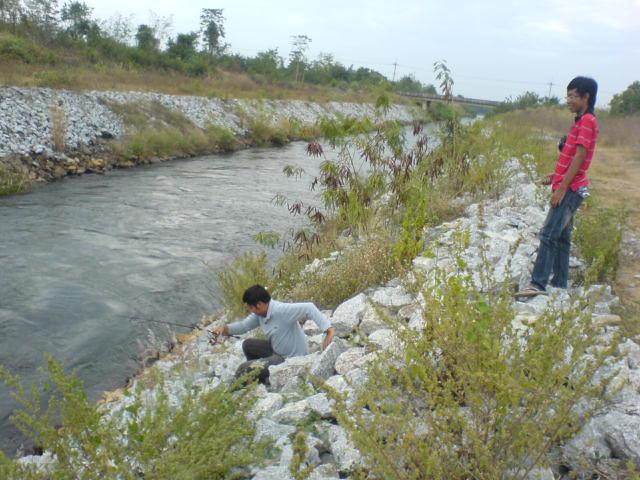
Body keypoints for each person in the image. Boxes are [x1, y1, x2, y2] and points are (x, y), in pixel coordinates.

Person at [515, 76, 599, 298]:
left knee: (548, 234)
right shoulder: (581, 122)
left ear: (586, 96)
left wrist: (562, 188)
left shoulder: (588, 121)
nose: (568, 100)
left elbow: (581, 155)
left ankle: (538, 284)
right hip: (569, 185)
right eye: (568, 95)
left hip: (570, 190)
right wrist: (556, 176)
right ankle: (560, 283)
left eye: (573, 96)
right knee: (562, 237)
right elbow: (574, 157)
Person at [212, 285, 336, 383]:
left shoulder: (281, 310)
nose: (251, 311)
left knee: (244, 368)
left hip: (288, 359)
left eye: (250, 308)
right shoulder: (260, 314)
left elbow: (309, 307)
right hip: (276, 350)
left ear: (259, 304)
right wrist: (224, 329)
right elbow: (244, 326)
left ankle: (234, 394)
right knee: (248, 345)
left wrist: (328, 330)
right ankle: (259, 378)